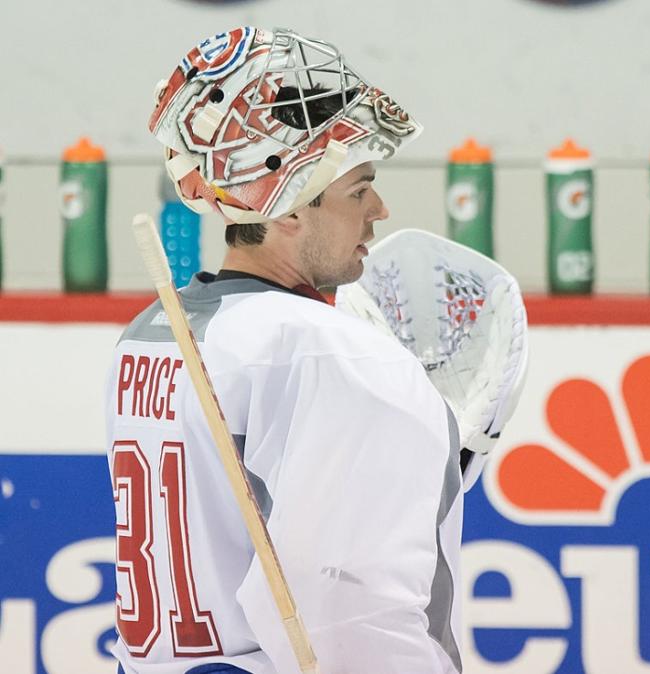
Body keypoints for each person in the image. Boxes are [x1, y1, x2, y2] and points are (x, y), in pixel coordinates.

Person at [105, 27, 470, 672]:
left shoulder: (153, 331)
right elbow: (354, 610)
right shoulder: (322, 352)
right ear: (287, 210)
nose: (379, 209)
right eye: (358, 189)